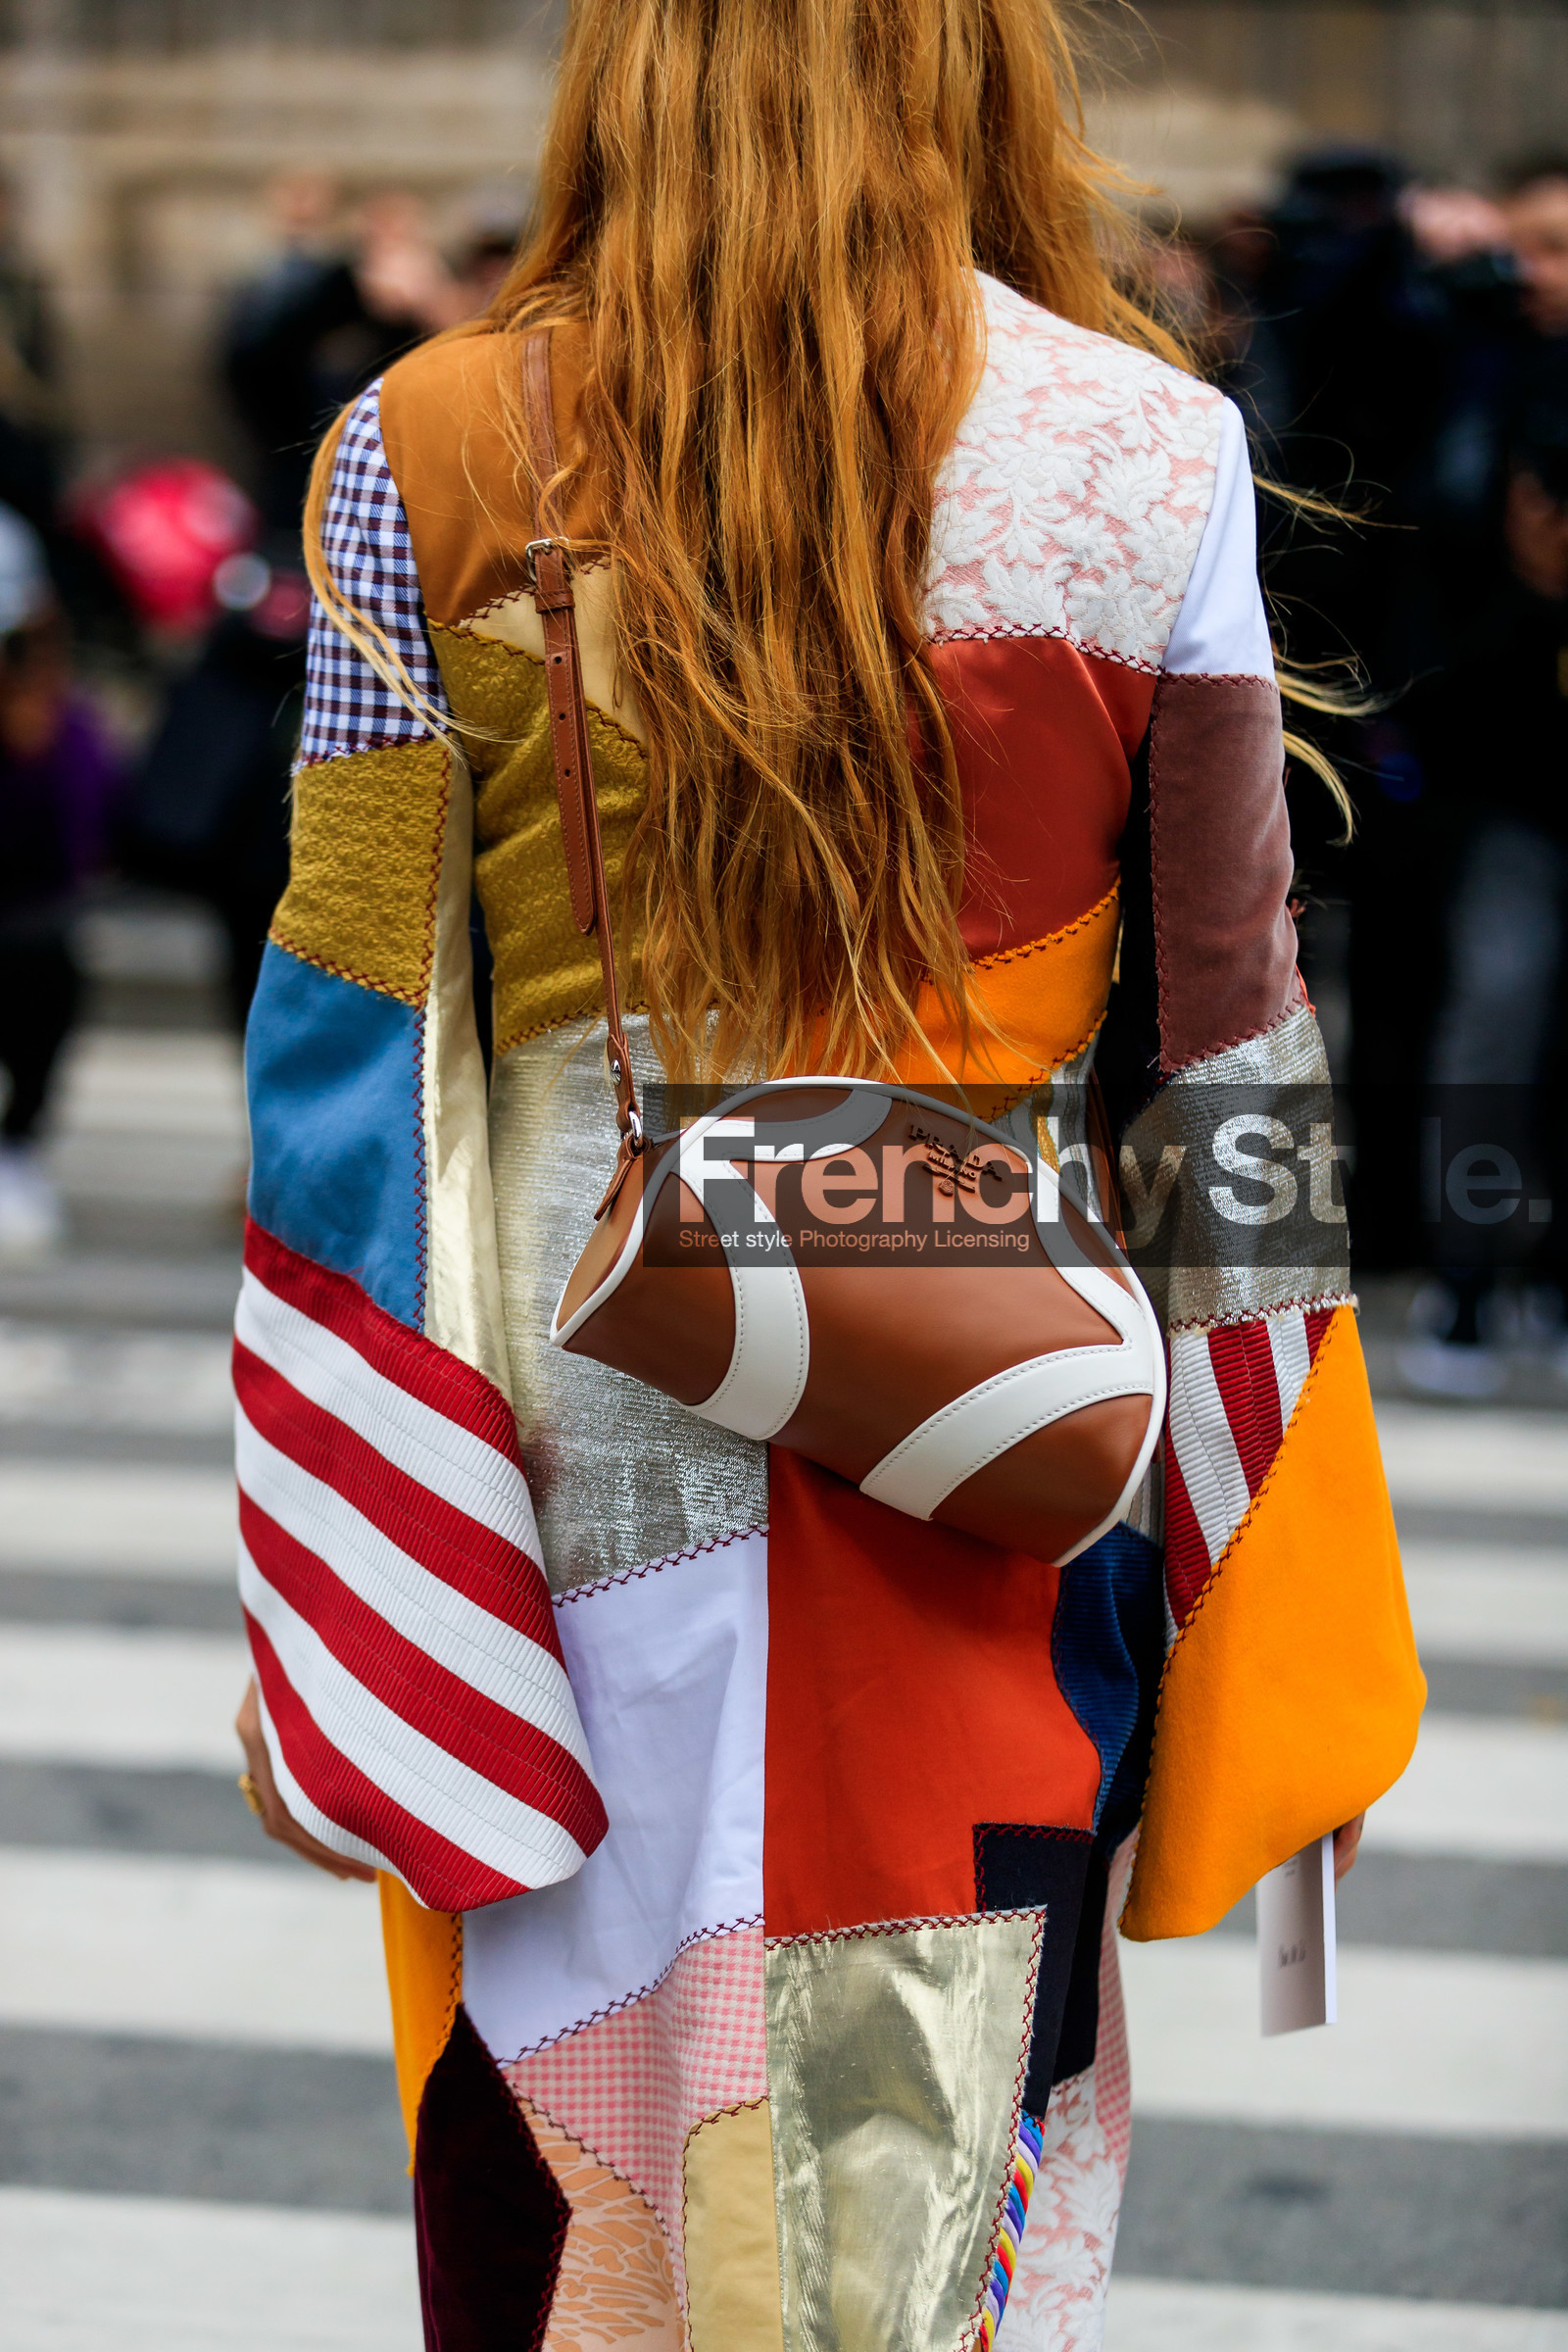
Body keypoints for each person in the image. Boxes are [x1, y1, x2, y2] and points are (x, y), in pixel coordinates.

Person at [230, 4, 1424, 2343]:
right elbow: (1228, 1077)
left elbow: (350, 1054)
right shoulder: (1146, 451)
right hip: (973, 1416)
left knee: (575, 2182)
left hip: (552, 1465)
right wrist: (1275, 1581)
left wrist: (339, 1564)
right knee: (920, 2179)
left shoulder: (424, 443)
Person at [0, 505, 118, 1258]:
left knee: (45, 969)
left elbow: (85, 841)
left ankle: (18, 1145)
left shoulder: (59, 722)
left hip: (26, 922)